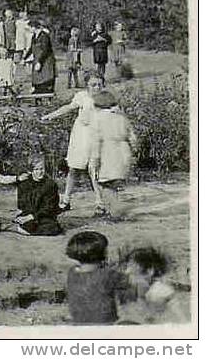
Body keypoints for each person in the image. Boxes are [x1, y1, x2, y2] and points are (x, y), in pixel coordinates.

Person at [41, 73, 105, 212]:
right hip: (81, 136)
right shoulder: (82, 96)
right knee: (73, 168)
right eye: (93, 85)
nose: (97, 87)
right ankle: (66, 200)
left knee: (94, 169)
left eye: (100, 84)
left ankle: (100, 203)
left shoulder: (106, 99)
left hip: (96, 136)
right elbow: (68, 107)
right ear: (87, 85)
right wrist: (51, 115)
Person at [89, 90, 138, 218]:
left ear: (97, 106)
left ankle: (116, 210)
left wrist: (95, 159)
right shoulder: (122, 117)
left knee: (105, 183)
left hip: (108, 152)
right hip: (123, 150)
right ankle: (114, 208)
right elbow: (133, 138)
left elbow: (96, 141)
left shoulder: (98, 119)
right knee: (114, 182)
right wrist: (133, 152)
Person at [65, 231, 131, 325]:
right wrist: (124, 262)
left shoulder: (71, 273)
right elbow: (127, 282)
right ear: (103, 253)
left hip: (78, 322)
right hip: (105, 323)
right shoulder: (108, 274)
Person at [122, 247, 189, 324]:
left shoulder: (162, 291)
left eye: (133, 273)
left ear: (149, 271)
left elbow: (182, 319)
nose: (126, 272)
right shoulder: (139, 290)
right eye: (126, 268)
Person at [13, 153, 63, 236]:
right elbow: (21, 204)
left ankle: (23, 230)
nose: (40, 172)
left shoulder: (50, 184)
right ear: (30, 171)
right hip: (28, 215)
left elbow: (49, 208)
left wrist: (31, 216)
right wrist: (22, 215)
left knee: (53, 228)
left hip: (44, 216)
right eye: (36, 169)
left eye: (42, 169)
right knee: (25, 223)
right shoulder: (24, 184)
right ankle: (23, 228)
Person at [28, 19, 56, 96]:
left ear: (34, 27)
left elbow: (45, 50)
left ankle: (48, 97)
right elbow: (31, 48)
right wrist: (24, 58)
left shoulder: (44, 36)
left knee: (46, 78)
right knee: (36, 78)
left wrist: (40, 62)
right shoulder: (34, 36)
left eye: (30, 27)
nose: (29, 29)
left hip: (46, 60)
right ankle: (38, 97)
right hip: (37, 59)